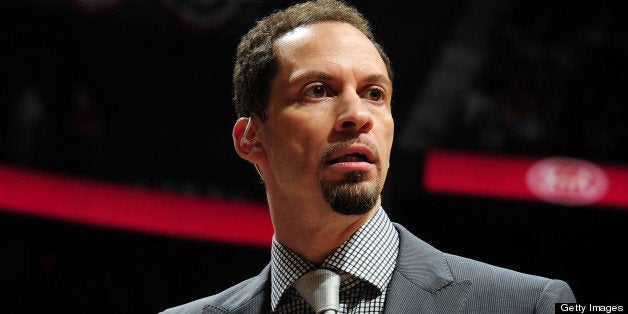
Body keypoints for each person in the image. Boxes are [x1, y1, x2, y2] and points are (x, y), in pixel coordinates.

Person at [160, 0, 576, 313]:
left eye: (374, 94)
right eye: (318, 91)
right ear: (251, 139)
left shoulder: (530, 305)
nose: (357, 115)